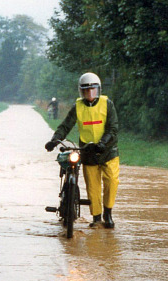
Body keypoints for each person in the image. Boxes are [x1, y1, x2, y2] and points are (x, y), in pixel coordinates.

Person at [45, 72, 119, 229]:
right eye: (86, 90)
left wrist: (103, 142)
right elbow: (66, 125)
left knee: (111, 182)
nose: (90, 93)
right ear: (81, 91)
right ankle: (97, 217)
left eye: (92, 90)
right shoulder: (77, 106)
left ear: (98, 90)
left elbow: (113, 128)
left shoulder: (107, 104)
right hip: (88, 152)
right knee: (92, 186)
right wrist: (54, 139)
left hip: (108, 151)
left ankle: (108, 213)